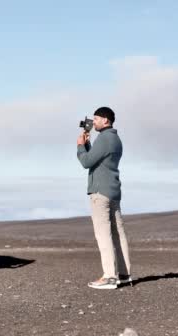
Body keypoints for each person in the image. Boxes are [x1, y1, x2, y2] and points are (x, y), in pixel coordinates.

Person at [77, 106, 131, 289]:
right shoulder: (115, 139)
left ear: (105, 120)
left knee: (103, 234)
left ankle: (109, 277)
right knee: (118, 234)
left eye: (96, 119)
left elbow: (86, 162)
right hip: (114, 191)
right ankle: (124, 274)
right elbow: (97, 159)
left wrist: (79, 146)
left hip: (101, 192)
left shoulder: (104, 138)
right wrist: (88, 145)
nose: (93, 123)